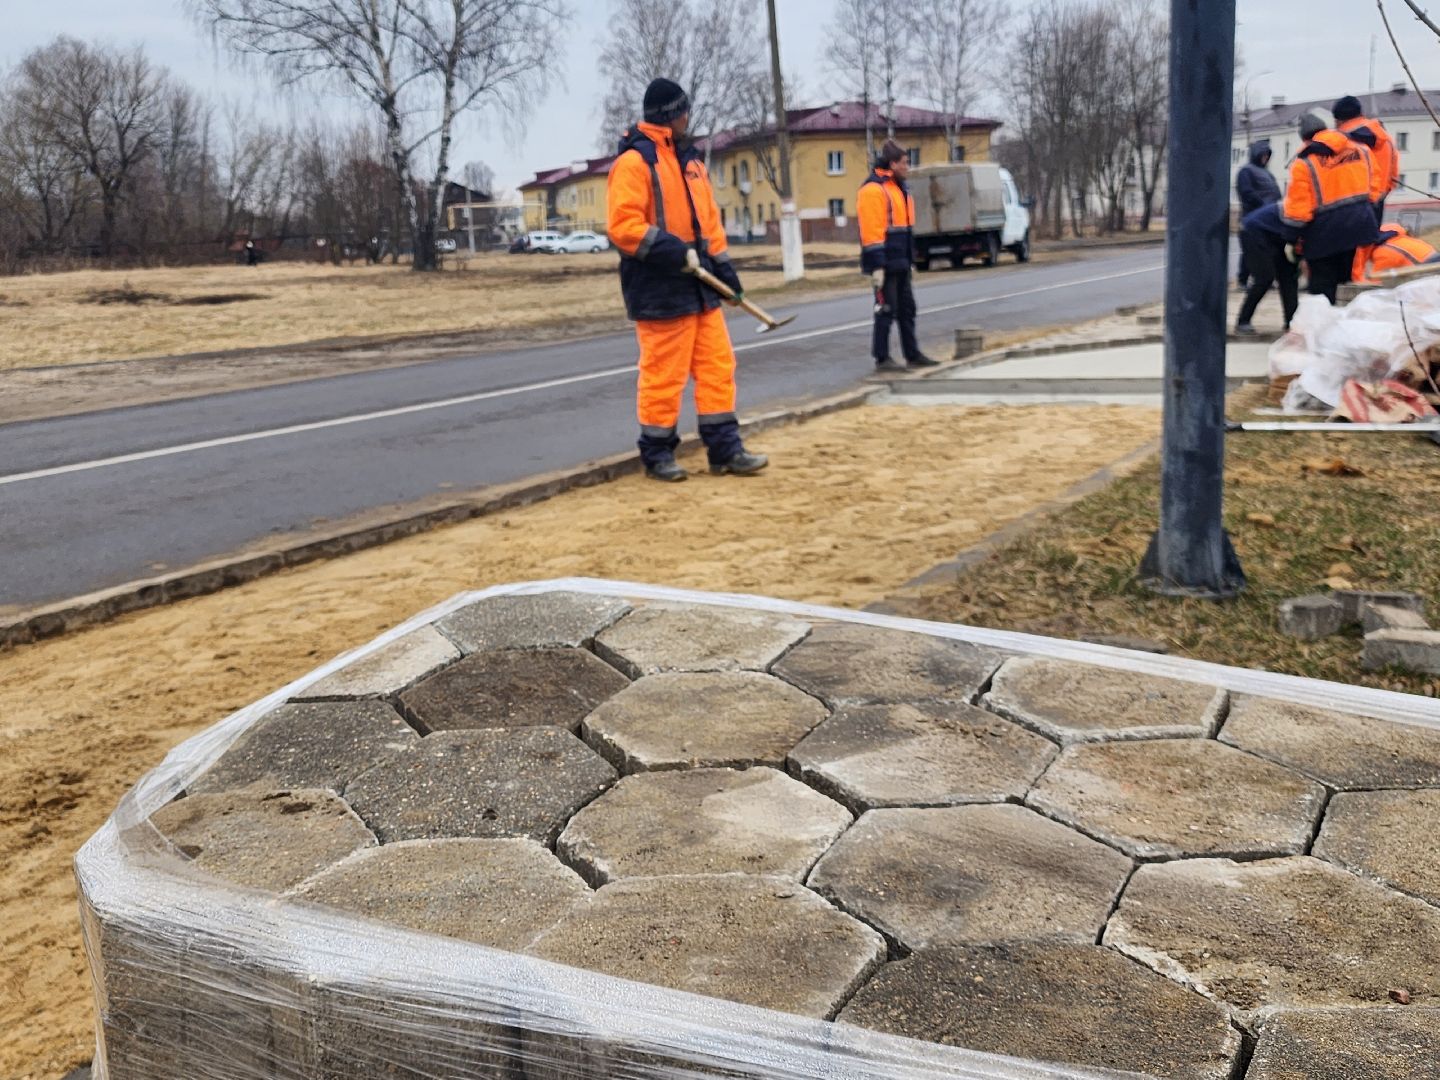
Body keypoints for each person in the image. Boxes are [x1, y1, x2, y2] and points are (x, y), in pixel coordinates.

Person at [606, 78, 767, 482]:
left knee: (717, 367)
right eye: (683, 112)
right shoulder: (635, 162)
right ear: (670, 115)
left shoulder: (692, 161)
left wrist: (724, 270)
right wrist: (670, 250)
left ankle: (725, 450)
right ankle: (658, 454)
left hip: (701, 285)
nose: (687, 118)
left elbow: (710, 224)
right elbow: (624, 226)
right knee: (664, 374)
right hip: (658, 287)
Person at [1281, 108, 1377, 304]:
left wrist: (1290, 239)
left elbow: (1299, 209)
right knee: (1346, 285)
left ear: (1305, 138)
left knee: (1322, 291)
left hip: (1325, 233)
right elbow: (1375, 186)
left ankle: (1326, 328)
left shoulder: (1305, 162)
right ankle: (1344, 326)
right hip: (1361, 226)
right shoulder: (1361, 150)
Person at [858, 140, 937, 372]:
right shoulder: (874, 189)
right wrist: (877, 266)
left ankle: (912, 354)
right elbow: (872, 231)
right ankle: (882, 358)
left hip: (901, 260)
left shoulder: (900, 188)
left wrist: (910, 259)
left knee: (907, 309)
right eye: (904, 163)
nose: (907, 167)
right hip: (885, 263)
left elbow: (904, 228)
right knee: (885, 310)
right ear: (892, 164)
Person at [1235, 202, 1300, 335]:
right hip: (1255, 231)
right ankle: (1243, 321)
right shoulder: (1304, 208)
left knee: (1288, 277)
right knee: (1264, 278)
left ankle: (1291, 322)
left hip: (1276, 235)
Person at [1333, 95, 1400, 222]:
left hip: (1348, 207)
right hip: (1377, 203)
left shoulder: (1342, 142)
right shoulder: (1385, 137)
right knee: (1372, 241)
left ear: (1338, 120)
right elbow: (1393, 174)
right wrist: (1381, 194)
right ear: (1361, 113)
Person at [1234, 140, 1281, 288]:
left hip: (1269, 219)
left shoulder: (1268, 174)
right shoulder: (1246, 171)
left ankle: (1264, 278)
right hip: (1252, 218)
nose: (1265, 158)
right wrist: (1262, 205)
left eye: (1267, 155)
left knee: (1268, 251)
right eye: (1263, 154)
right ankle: (1243, 280)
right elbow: (1246, 193)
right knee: (1250, 251)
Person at [1352, 222, 1440, 282]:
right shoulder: (1400, 240)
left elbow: (1376, 282)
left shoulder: (1383, 252)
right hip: (1434, 263)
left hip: (1428, 271)